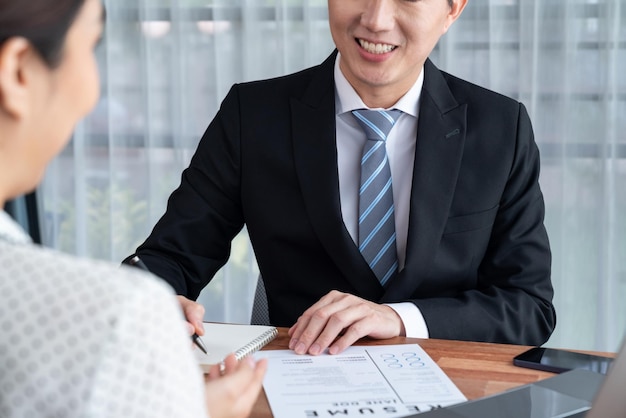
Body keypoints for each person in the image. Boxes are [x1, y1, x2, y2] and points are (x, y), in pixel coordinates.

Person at [128, 0, 556, 356]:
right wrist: (153, 299)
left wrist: (399, 318)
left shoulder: (501, 127)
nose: (376, 19)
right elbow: (170, 258)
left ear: (452, 9)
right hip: (299, 383)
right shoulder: (253, 116)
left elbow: (528, 306)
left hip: (453, 388)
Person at [0, 0, 266, 417]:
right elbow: (174, 252)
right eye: (91, 47)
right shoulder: (112, 319)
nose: (92, 93)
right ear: (18, 72)